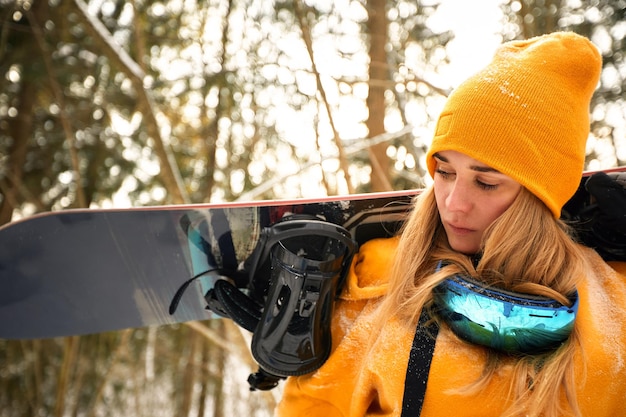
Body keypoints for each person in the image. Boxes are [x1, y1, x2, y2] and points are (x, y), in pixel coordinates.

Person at [275, 32, 626, 417]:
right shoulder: (380, 279)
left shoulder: (614, 302)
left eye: (486, 182)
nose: (454, 204)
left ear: (539, 195)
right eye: (444, 171)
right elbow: (315, 407)